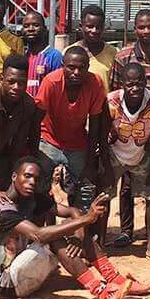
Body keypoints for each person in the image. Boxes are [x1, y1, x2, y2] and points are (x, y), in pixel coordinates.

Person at [0, 158, 137, 299]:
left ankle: (114, 278)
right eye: (27, 176)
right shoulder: (0, 210)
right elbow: (39, 235)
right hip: (8, 284)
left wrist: (77, 237)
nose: (32, 182)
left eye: (36, 178)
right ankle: (101, 293)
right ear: (14, 177)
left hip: (26, 271)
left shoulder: (30, 198)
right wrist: (87, 219)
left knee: (71, 226)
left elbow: (73, 211)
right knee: (53, 237)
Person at [110, 9, 150, 246]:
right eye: (141, 27)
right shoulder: (123, 57)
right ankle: (126, 230)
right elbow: (115, 92)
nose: (146, 31)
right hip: (127, 129)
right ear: (135, 28)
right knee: (125, 182)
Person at [99, 63, 150, 270]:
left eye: (139, 84)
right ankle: (100, 243)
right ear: (122, 84)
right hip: (115, 154)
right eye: (130, 84)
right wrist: (107, 168)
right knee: (104, 196)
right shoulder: (111, 101)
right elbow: (101, 136)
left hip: (141, 155)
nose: (135, 88)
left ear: (145, 83)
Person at [34, 46, 106, 211]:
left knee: (87, 187)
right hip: (49, 139)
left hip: (77, 142)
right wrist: (32, 150)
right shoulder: (51, 82)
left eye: (81, 68)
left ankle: (80, 229)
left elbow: (94, 123)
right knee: (40, 187)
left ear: (88, 67)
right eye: (71, 67)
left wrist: (90, 160)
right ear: (62, 65)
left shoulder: (95, 83)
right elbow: (36, 118)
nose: (76, 72)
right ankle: (43, 230)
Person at [0, 54, 44, 190]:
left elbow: (23, 143)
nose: (16, 87)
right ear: (1, 78)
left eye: (21, 83)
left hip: (4, 156)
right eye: (11, 81)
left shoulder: (28, 105)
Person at [66, 4, 119, 93]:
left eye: (98, 27)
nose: (94, 31)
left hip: (102, 105)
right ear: (81, 26)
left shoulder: (114, 53)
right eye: (90, 26)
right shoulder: (68, 53)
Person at [22, 11, 63, 98]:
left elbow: (59, 89)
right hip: (24, 109)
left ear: (44, 29)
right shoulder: (22, 56)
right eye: (26, 26)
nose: (30, 29)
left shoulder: (54, 56)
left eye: (36, 25)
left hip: (45, 110)